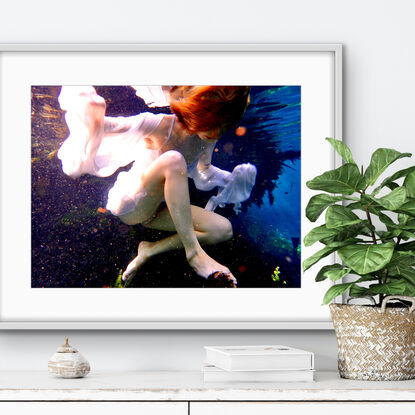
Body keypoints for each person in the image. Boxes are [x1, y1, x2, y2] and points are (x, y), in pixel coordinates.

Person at [57, 85, 257, 288]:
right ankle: (194, 252)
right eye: (216, 124)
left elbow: (203, 172)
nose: (217, 134)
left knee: (223, 230)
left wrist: (231, 179)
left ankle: (150, 250)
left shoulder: (206, 138)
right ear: (200, 111)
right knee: (174, 160)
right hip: (134, 205)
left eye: (224, 128)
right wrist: (92, 117)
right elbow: (114, 128)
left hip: (161, 210)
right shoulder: (159, 126)